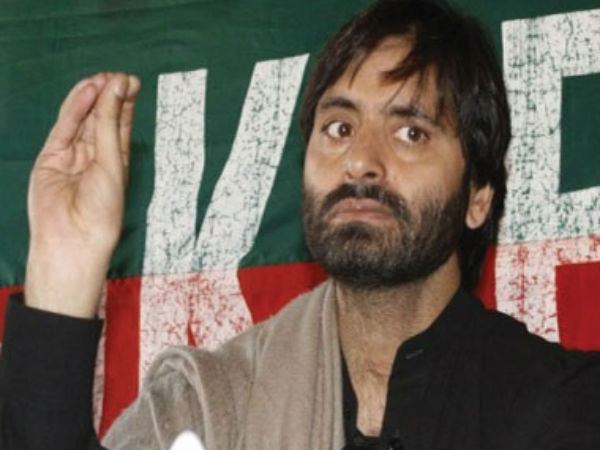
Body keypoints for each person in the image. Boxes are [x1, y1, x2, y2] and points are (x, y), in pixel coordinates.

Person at [1, 0, 599, 449]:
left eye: (410, 132)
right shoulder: (205, 405)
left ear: (478, 196)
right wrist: (63, 271)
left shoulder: (564, 407)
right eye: (339, 127)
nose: (360, 160)